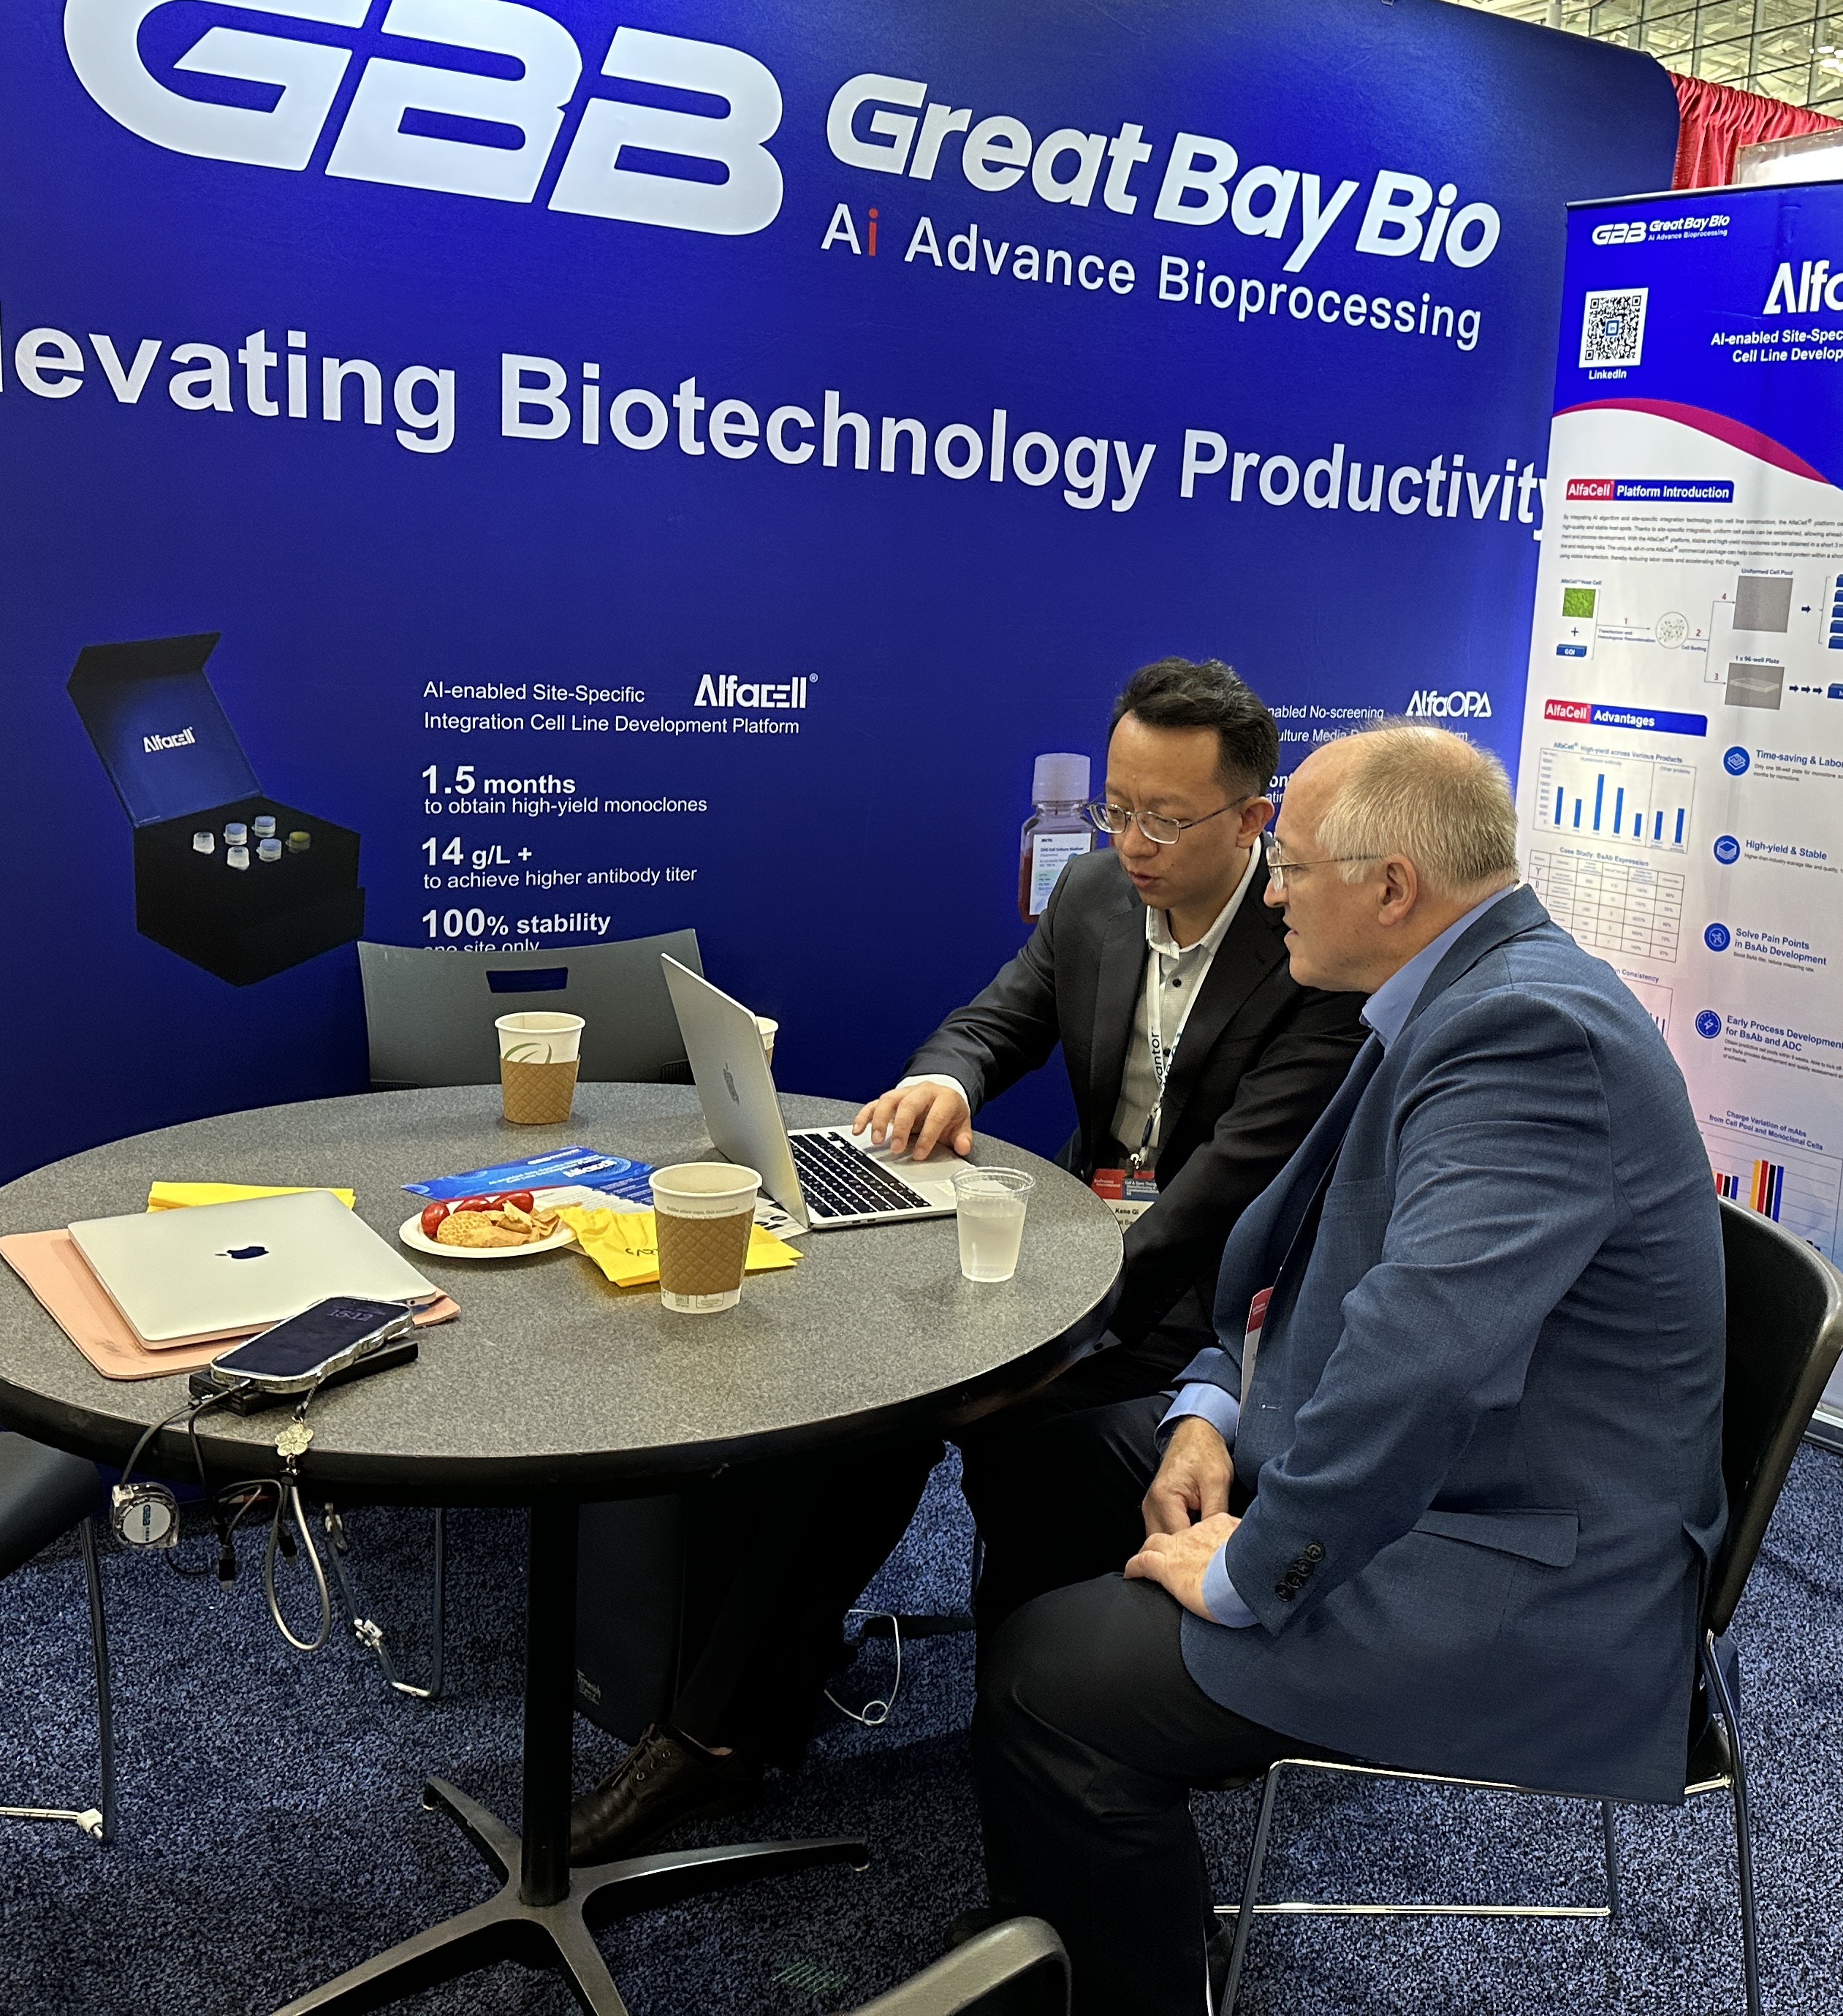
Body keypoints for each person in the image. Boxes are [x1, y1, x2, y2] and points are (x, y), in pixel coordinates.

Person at [970, 723, 1728, 2016]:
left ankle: (1122, 1952)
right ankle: (1076, 1871)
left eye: (1292, 867)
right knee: (1047, 1457)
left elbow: (1420, 1367)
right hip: (1420, 1470)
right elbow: (1303, 1258)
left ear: (1391, 887)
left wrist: (1256, 1572)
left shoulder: (1526, 1035)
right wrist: (1210, 1408)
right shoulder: (1454, 987)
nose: (1269, 892)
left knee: (1050, 1678)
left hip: (1519, 1562)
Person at [571, 658, 1368, 1862]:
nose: (1131, 842)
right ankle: (724, 1726)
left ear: (1254, 817)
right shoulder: (1095, 892)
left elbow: (1222, 1197)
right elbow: (994, 1020)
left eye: (1165, 818)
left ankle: (990, 1742)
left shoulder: (1309, 946)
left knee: (968, 1421)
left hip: (1204, 1307)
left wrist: (1042, 1333)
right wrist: (948, 1078)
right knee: (854, 1397)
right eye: (1116, 806)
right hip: (1073, 1252)